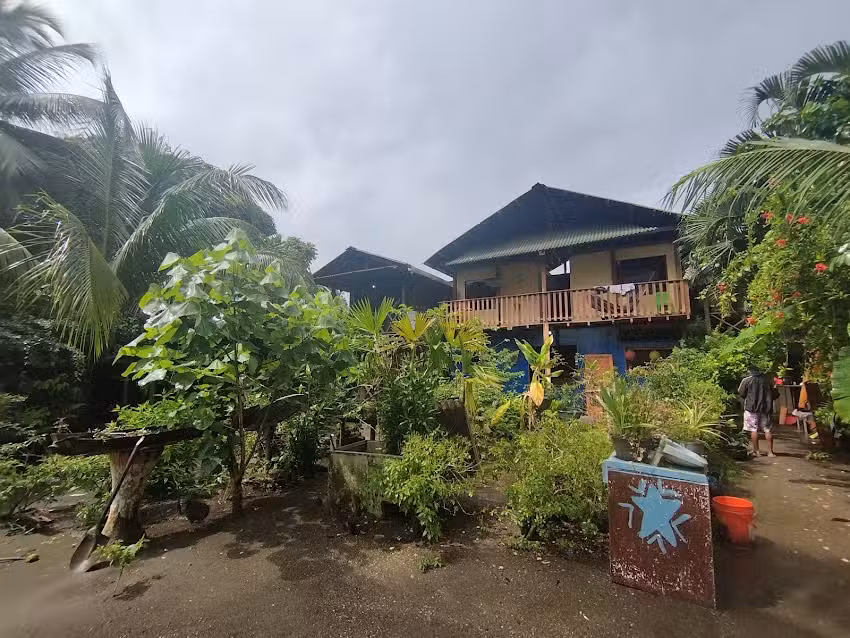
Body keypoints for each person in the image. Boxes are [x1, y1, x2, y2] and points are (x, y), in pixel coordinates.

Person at [738, 365, 777, 457]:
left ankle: (757, 451)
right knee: (767, 429)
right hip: (765, 408)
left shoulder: (746, 380)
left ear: (750, 371)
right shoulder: (767, 380)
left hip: (751, 408)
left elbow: (741, 392)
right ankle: (770, 452)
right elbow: (775, 393)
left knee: (753, 429)